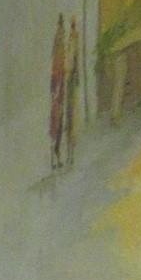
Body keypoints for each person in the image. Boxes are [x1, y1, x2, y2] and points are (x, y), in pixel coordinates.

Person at [49, 15, 66, 170]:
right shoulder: (57, 54)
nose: (62, 34)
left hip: (60, 92)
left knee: (59, 124)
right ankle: (54, 156)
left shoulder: (61, 52)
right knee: (55, 124)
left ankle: (57, 155)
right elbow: (55, 74)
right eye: (61, 33)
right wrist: (56, 90)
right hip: (57, 92)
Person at [65, 17, 80, 166]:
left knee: (71, 117)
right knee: (70, 118)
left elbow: (72, 62)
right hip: (70, 81)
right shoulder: (72, 40)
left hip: (70, 82)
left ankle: (71, 153)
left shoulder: (73, 40)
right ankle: (70, 153)